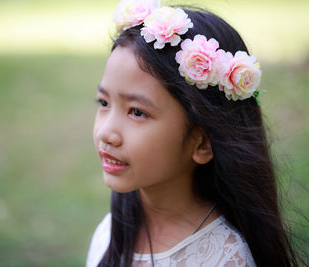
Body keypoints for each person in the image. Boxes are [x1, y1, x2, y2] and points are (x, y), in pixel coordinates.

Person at [86, 0, 300, 266]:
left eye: (137, 112)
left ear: (202, 143)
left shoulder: (226, 258)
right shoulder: (110, 231)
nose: (106, 133)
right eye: (104, 103)